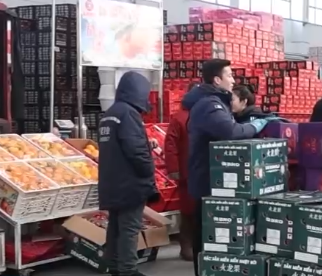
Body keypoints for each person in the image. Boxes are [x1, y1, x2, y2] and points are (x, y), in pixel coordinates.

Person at [185, 59, 259, 276]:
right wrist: (254, 126)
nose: (233, 80)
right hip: (208, 179)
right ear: (217, 80)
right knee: (206, 233)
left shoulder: (214, 102)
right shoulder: (210, 105)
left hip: (213, 178)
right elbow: (230, 132)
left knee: (212, 233)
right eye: (229, 75)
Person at [97, 71, 159, 276]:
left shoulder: (110, 114)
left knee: (115, 227)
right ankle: (128, 270)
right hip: (129, 182)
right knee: (130, 228)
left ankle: (114, 266)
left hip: (111, 181)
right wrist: (149, 171)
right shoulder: (129, 114)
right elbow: (136, 150)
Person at [163, 82, 200, 262]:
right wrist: (174, 170)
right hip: (187, 173)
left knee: (198, 210)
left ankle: (196, 244)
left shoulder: (204, 116)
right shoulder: (180, 118)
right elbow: (170, 145)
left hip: (200, 171)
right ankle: (186, 245)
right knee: (188, 211)